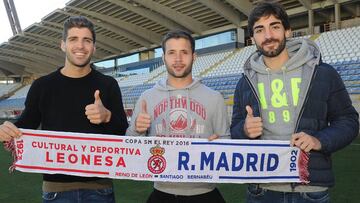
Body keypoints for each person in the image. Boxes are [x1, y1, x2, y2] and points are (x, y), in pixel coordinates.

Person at [230, 1, 359, 203]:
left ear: (288, 31)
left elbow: (348, 121)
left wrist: (319, 140)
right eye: (260, 29)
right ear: (252, 37)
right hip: (261, 189)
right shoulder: (244, 83)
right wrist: (244, 130)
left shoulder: (322, 73)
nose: (268, 35)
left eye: (275, 26)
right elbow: (234, 132)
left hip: (310, 190)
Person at [0, 16, 128, 203]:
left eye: (87, 40)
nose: (80, 46)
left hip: (100, 189)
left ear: (94, 47)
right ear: (62, 45)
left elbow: (124, 134)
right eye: (73, 39)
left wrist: (107, 116)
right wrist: (7, 130)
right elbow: (25, 126)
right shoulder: (42, 86)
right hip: (55, 190)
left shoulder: (108, 85)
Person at [126, 30, 229, 203]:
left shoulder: (214, 97)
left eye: (184, 52)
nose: (178, 59)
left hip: (205, 193)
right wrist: (137, 129)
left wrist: (220, 145)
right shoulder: (146, 97)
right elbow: (130, 147)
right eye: (172, 53)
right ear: (164, 58)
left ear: (194, 56)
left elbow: (228, 146)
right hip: (161, 192)